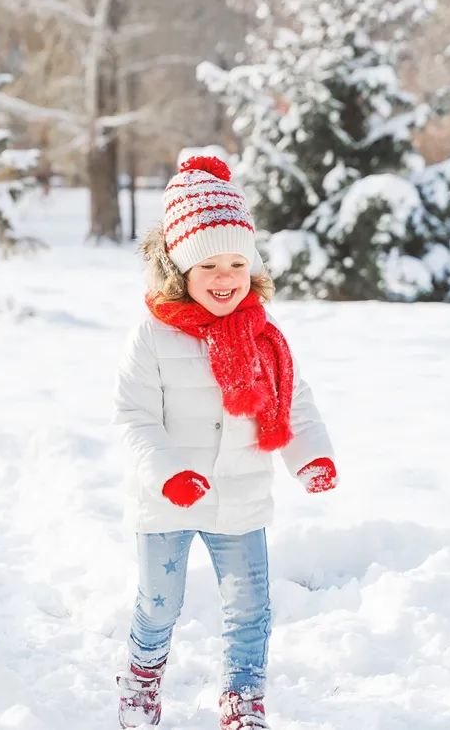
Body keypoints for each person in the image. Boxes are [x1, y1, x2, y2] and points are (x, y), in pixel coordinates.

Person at [113, 156, 337, 728]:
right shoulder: (153, 335)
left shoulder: (263, 338)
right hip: (166, 499)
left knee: (249, 609)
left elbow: (294, 401)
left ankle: (243, 697)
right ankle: (141, 676)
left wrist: (310, 454)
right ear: (178, 269)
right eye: (207, 262)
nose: (224, 276)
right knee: (159, 604)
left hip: (241, 497)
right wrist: (168, 473)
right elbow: (134, 415)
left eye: (237, 261)